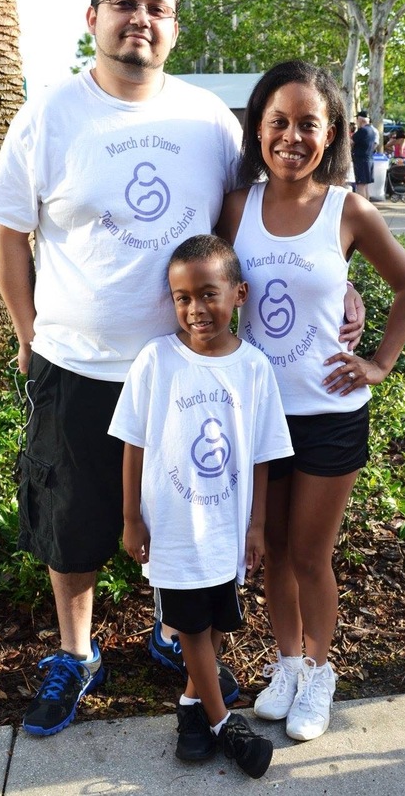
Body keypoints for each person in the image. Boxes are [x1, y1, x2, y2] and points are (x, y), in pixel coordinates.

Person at [0, 0, 366, 738]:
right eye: (125, 3)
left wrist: (340, 282)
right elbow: (7, 231)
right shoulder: (48, 115)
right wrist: (27, 334)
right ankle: (77, 652)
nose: (140, 18)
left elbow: (263, 217)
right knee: (74, 519)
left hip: (192, 368)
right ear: (93, 18)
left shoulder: (208, 121)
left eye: (156, 7)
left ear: (174, 28)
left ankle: (176, 630)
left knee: (195, 506)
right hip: (79, 362)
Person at [216, 61, 405, 742]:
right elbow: (205, 287)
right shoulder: (236, 207)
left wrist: (379, 363)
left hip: (330, 415)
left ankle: (318, 670)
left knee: (310, 556)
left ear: (330, 132)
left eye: (308, 123)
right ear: (258, 128)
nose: (292, 137)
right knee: (273, 553)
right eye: (278, 121)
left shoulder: (348, 210)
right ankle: (285, 665)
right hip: (259, 415)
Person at [109, 234, 292, 778]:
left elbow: (261, 453)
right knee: (189, 627)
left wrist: (256, 526)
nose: (195, 309)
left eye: (208, 294)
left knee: (215, 625)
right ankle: (223, 722)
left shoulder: (254, 368)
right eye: (182, 297)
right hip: (173, 527)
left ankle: (191, 707)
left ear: (239, 294)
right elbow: (133, 443)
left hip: (227, 527)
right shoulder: (156, 360)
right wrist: (130, 517)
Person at [351, 110, 377, 199]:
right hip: (369, 160)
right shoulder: (372, 130)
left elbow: (350, 142)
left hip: (361, 161)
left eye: (357, 119)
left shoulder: (362, 131)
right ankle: (367, 205)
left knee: (360, 185)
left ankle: (361, 206)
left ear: (360, 120)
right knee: (365, 186)